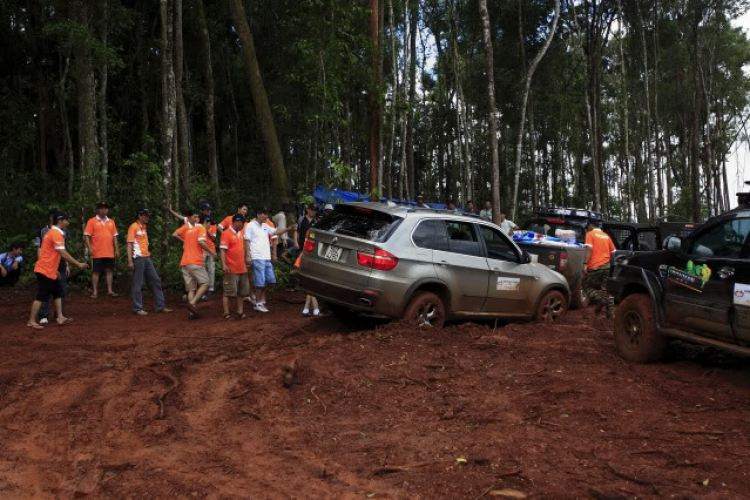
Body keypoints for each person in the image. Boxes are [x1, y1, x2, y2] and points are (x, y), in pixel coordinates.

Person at [27, 212, 89, 330]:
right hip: (45, 270)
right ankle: (31, 321)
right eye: (66, 220)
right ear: (60, 221)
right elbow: (63, 253)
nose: (68, 223)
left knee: (58, 292)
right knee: (41, 296)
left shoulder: (53, 232)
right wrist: (78, 264)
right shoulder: (55, 233)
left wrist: (54, 270)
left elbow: (49, 253)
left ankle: (60, 317)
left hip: (50, 270)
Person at [127, 208, 172, 316]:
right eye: (146, 215)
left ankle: (160, 306)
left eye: (148, 215)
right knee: (138, 282)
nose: (148, 217)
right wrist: (129, 260)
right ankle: (138, 308)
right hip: (138, 257)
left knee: (155, 280)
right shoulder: (133, 227)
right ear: (139, 216)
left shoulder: (143, 227)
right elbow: (129, 243)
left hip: (146, 257)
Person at [172, 208, 216, 319]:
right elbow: (201, 242)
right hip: (195, 262)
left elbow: (175, 234)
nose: (210, 226)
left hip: (185, 263)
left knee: (191, 289)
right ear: (205, 222)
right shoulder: (200, 228)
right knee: (206, 283)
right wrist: (212, 252)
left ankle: (192, 312)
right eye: (210, 224)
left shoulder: (189, 230)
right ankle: (192, 303)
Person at [244, 207, 278, 313]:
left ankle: (258, 300)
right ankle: (258, 303)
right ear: (258, 214)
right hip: (257, 257)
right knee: (260, 281)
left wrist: (287, 229)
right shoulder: (250, 226)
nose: (267, 216)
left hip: (266, 257)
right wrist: (248, 256)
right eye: (265, 214)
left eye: (267, 214)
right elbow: (246, 241)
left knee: (270, 280)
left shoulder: (266, 225)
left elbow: (276, 233)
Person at [36, 209, 67, 324]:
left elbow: (64, 250)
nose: (66, 222)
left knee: (60, 290)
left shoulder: (63, 232)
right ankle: (43, 315)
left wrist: (67, 264)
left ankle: (59, 315)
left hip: (59, 264)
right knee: (44, 291)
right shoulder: (43, 231)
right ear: (52, 218)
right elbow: (39, 249)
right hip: (47, 266)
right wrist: (43, 263)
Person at [84, 202, 119, 298]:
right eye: (101, 208)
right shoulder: (92, 221)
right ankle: (95, 291)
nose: (103, 210)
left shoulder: (111, 221)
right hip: (96, 251)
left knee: (109, 271)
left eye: (105, 208)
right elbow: (86, 236)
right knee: (96, 272)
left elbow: (114, 236)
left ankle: (110, 290)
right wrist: (90, 248)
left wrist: (116, 249)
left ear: (108, 210)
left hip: (109, 251)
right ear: (97, 209)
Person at [584, 220, 616, 319]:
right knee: (605, 290)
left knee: (586, 286)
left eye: (587, 227)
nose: (586, 229)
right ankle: (611, 315)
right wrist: (611, 264)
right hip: (606, 267)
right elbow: (614, 251)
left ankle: (599, 300)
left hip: (594, 266)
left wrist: (585, 263)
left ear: (590, 225)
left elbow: (589, 249)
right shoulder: (606, 236)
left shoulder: (590, 234)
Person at [220, 214, 250, 319]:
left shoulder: (241, 233)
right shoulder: (226, 233)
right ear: (237, 222)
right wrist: (224, 265)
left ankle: (240, 312)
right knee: (228, 292)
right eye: (242, 224)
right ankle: (226, 312)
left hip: (242, 267)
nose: (243, 226)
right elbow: (222, 250)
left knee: (242, 292)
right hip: (231, 267)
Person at [200, 214, 218, 296]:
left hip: (211, 249)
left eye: (210, 222)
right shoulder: (198, 226)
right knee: (201, 269)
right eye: (208, 222)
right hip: (201, 250)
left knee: (211, 269)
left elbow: (213, 238)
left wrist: (207, 230)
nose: (210, 224)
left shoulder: (213, 225)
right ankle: (202, 286)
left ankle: (211, 288)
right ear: (204, 222)